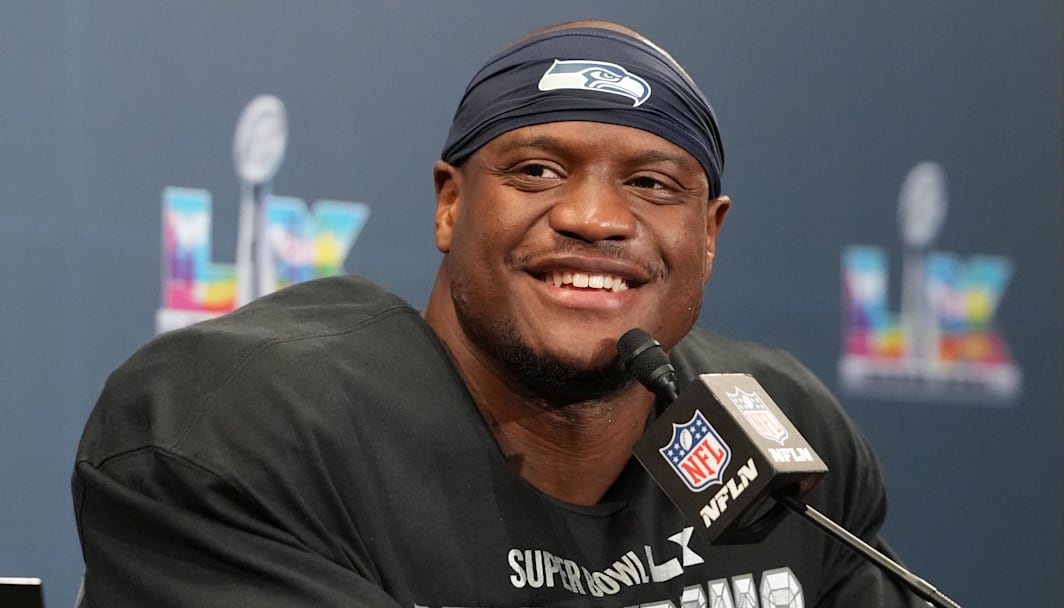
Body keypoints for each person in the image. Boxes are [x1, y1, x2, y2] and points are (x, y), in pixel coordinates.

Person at [73, 20, 922, 608]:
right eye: (538, 172)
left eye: (653, 184)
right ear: (450, 205)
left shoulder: (779, 429)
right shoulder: (246, 424)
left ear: (708, 234)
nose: (594, 217)